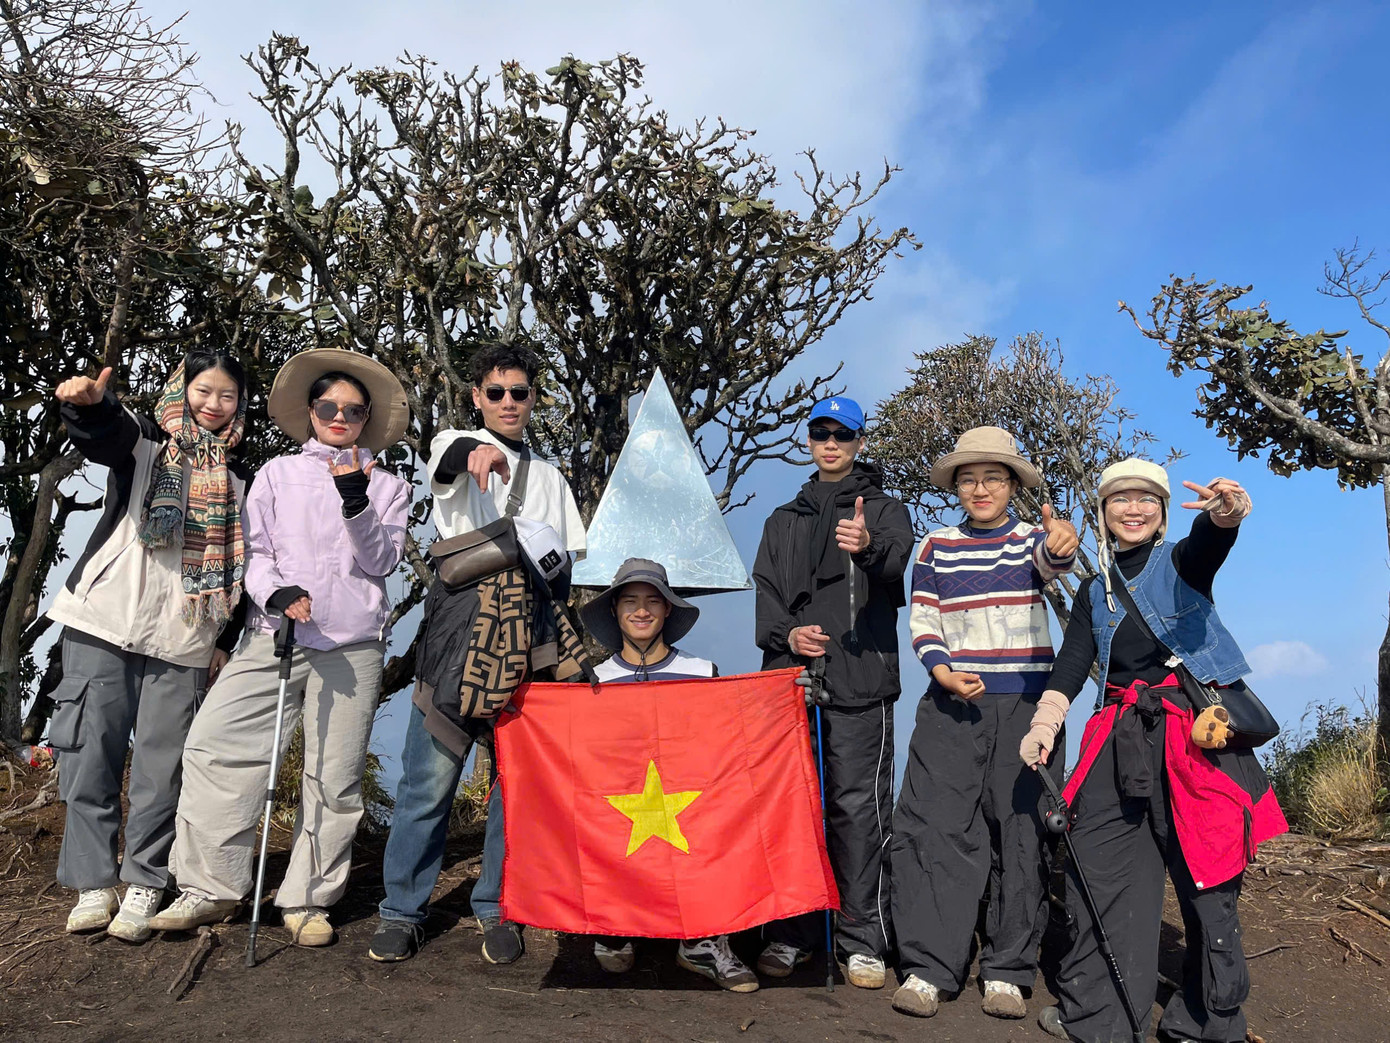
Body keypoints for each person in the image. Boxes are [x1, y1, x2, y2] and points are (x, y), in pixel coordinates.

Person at [1019, 460, 1287, 1043]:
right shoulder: (1096, 588)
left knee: (1206, 882)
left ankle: (1208, 1023)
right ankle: (1100, 1016)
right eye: (1120, 500)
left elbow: (1209, 546)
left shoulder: (1180, 565)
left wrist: (1226, 512)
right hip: (1117, 738)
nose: (1133, 509)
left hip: (1192, 736)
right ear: (1104, 513)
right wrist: (1046, 719)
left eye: (1146, 499)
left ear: (1163, 513)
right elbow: (1073, 660)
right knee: (1100, 867)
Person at [150, 349, 410, 946]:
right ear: (311, 412)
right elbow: (257, 553)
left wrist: (356, 501)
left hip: (351, 645)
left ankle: (308, 901)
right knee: (216, 746)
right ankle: (210, 888)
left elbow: (380, 560)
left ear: (367, 417)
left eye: (353, 409)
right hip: (276, 633)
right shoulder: (275, 473)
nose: (339, 416)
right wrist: (275, 593)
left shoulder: (389, 486)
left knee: (334, 775)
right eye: (328, 406)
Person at [368, 341, 586, 964]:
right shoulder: (452, 443)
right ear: (476, 398)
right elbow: (453, 458)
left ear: (534, 398)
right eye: (496, 392)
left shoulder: (551, 478)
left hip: (531, 634)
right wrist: (480, 452)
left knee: (513, 787)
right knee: (427, 782)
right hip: (457, 633)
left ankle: (497, 906)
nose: (509, 402)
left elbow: (568, 566)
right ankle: (401, 910)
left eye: (520, 393)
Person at [47, 352, 252, 942]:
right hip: (102, 624)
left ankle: (144, 880)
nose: (213, 405)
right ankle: (91, 884)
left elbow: (243, 572)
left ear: (241, 406)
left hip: (184, 642)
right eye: (203, 390)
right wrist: (87, 405)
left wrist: (224, 641)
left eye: (228, 396)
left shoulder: (241, 483)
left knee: (162, 771)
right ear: (180, 391)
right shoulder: (142, 447)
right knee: (89, 755)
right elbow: (104, 433)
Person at [889, 427, 1078, 1020]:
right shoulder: (934, 546)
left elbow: (1055, 561)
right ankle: (929, 968)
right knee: (935, 830)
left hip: (1026, 706)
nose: (980, 488)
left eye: (993, 477)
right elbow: (924, 619)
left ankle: (1007, 969)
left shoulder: (1031, 540)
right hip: (950, 706)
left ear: (1014, 485)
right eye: (968, 478)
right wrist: (942, 671)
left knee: (1022, 837)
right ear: (956, 487)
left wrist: (1063, 542)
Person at [751, 396, 914, 989]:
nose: (830, 443)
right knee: (793, 809)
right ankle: (790, 935)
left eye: (842, 435)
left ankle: (862, 940)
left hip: (862, 686)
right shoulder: (780, 519)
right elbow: (765, 594)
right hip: (791, 683)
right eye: (820, 433)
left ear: (860, 442)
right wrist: (788, 633)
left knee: (859, 813)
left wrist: (865, 546)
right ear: (810, 440)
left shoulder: (888, 510)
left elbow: (896, 567)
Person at [577, 557, 760, 993]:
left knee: (726, 814)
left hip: (690, 812)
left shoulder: (703, 673)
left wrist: (787, 700)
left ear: (668, 611)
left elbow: (730, 749)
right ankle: (613, 923)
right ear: (615, 611)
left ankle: (704, 940)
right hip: (620, 818)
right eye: (630, 602)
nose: (642, 611)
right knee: (593, 815)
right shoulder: (593, 683)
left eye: (653, 601)